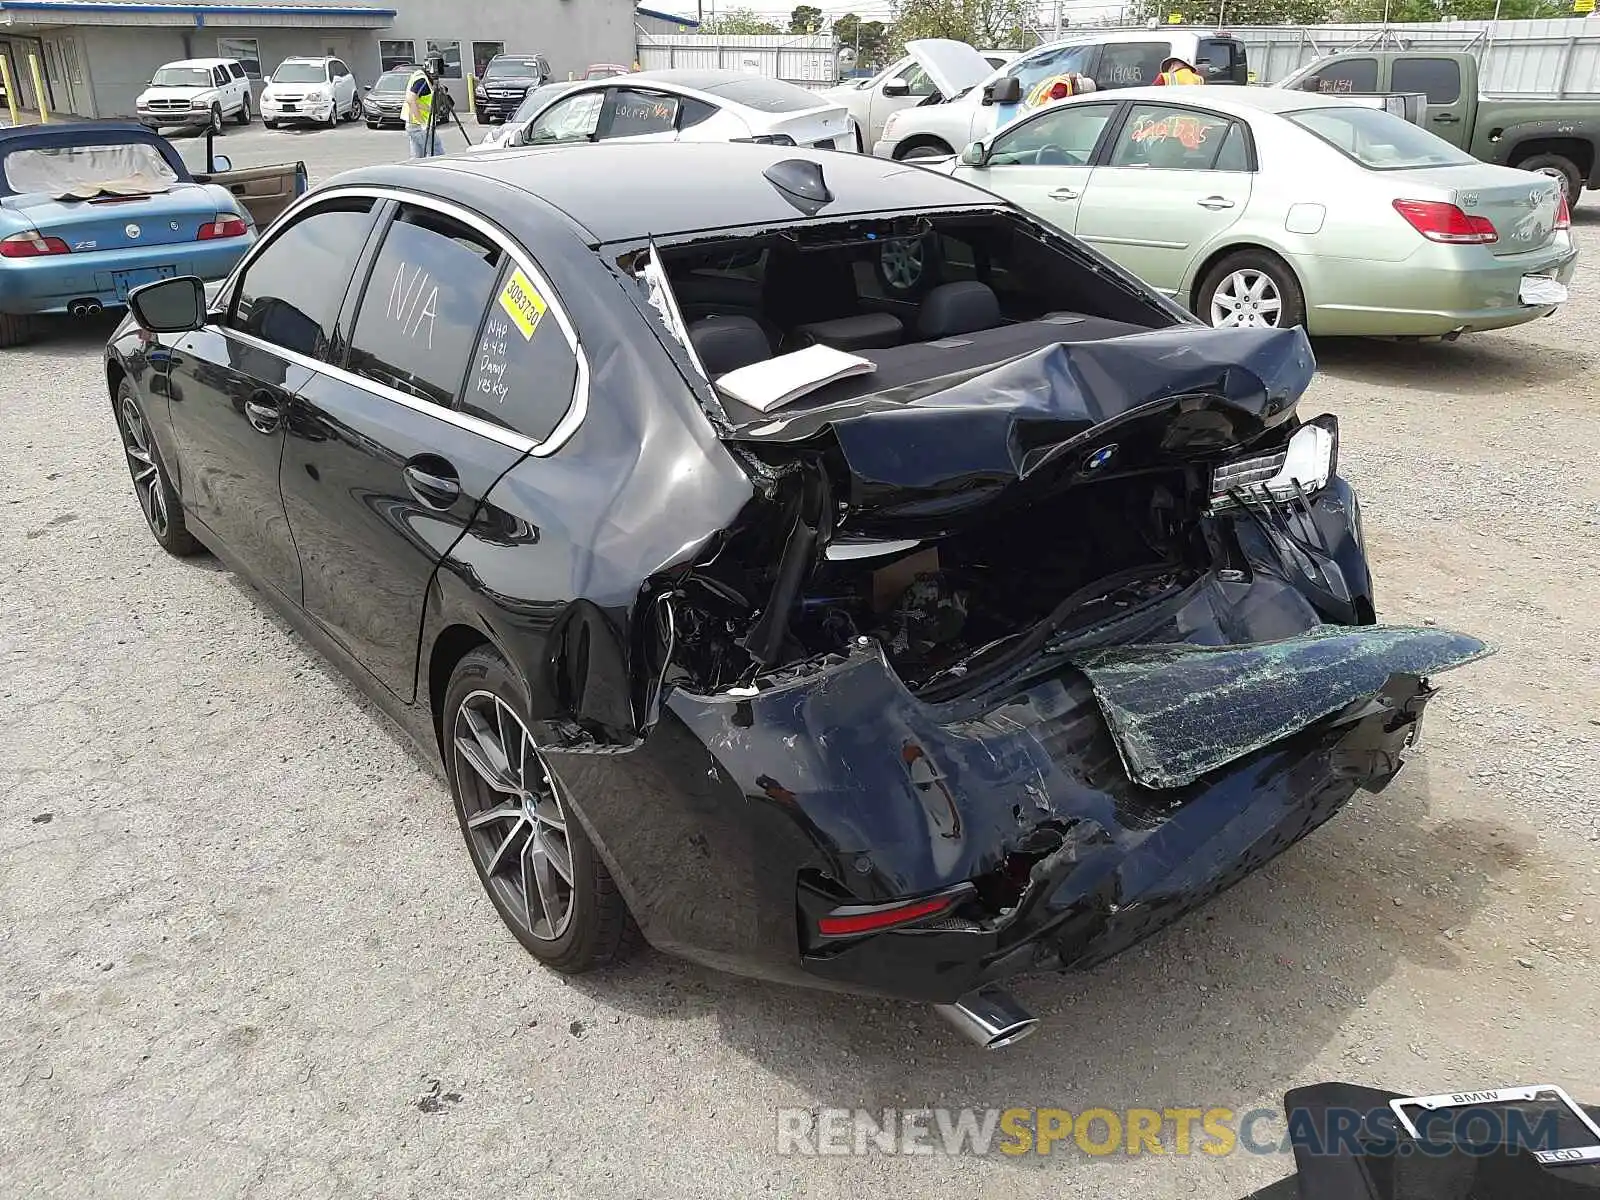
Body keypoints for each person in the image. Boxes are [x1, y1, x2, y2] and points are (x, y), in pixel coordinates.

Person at [405, 57, 444, 158]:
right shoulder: (422, 80)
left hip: (413, 124)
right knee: (437, 155)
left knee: (417, 159)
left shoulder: (421, 76)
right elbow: (410, 99)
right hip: (420, 126)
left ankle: (415, 172)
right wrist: (422, 123)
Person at [1024, 72, 1097, 111]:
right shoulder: (1062, 87)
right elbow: (1049, 108)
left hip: (1028, 110)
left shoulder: (1065, 80)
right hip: (1030, 115)